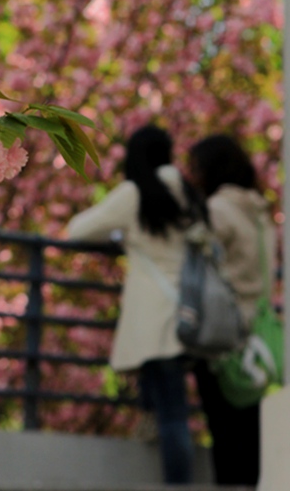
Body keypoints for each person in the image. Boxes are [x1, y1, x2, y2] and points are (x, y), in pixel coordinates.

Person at [66, 124, 195, 485]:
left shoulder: (136, 193)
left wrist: (123, 236)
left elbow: (78, 229)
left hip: (153, 315)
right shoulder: (188, 193)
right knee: (166, 405)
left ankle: (178, 484)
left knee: (170, 413)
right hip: (187, 310)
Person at [189, 134, 276, 488]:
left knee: (224, 432)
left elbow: (193, 244)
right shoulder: (259, 213)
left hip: (221, 331)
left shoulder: (219, 209)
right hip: (255, 330)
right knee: (250, 429)